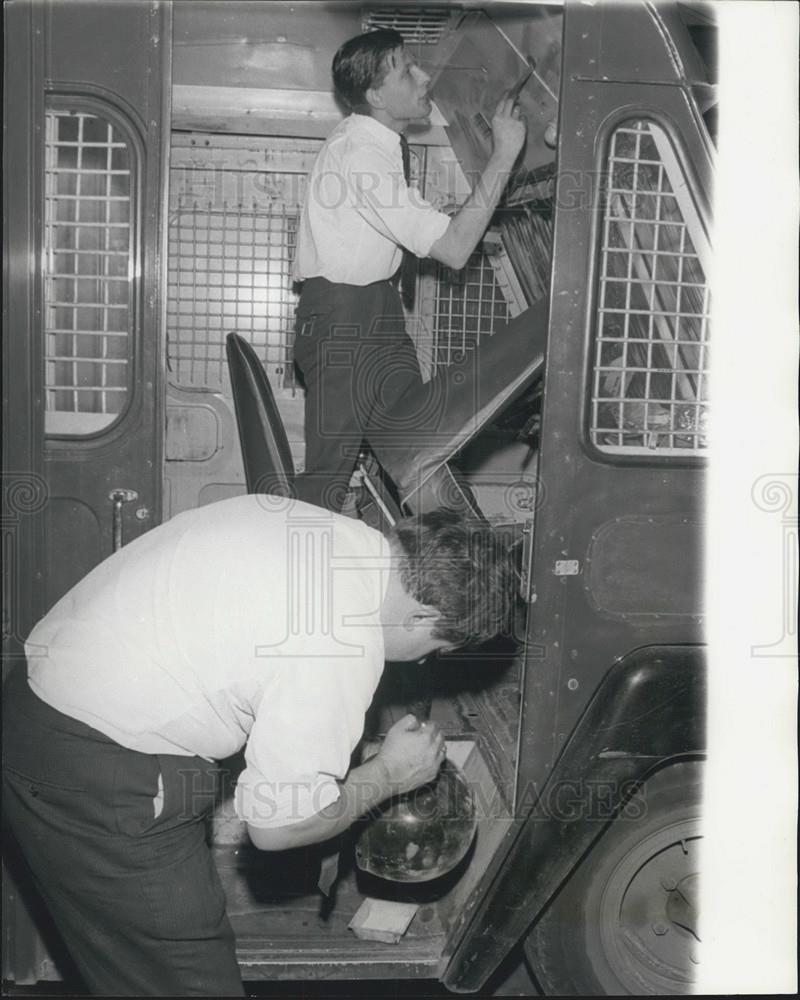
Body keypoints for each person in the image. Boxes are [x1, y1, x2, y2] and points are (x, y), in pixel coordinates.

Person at [2, 495, 513, 996]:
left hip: (42, 695)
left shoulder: (319, 528)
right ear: (421, 617)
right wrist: (389, 775)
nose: (425, 663)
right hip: (98, 766)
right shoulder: (340, 641)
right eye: (436, 649)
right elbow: (277, 827)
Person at [292, 28, 527, 511]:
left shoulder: (376, 148)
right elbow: (454, 249)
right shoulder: (361, 156)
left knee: (421, 454)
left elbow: (413, 232)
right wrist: (503, 154)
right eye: (407, 71)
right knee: (324, 487)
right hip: (346, 324)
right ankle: (291, 582)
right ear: (377, 96)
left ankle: (463, 577)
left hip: (372, 318)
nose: (424, 77)